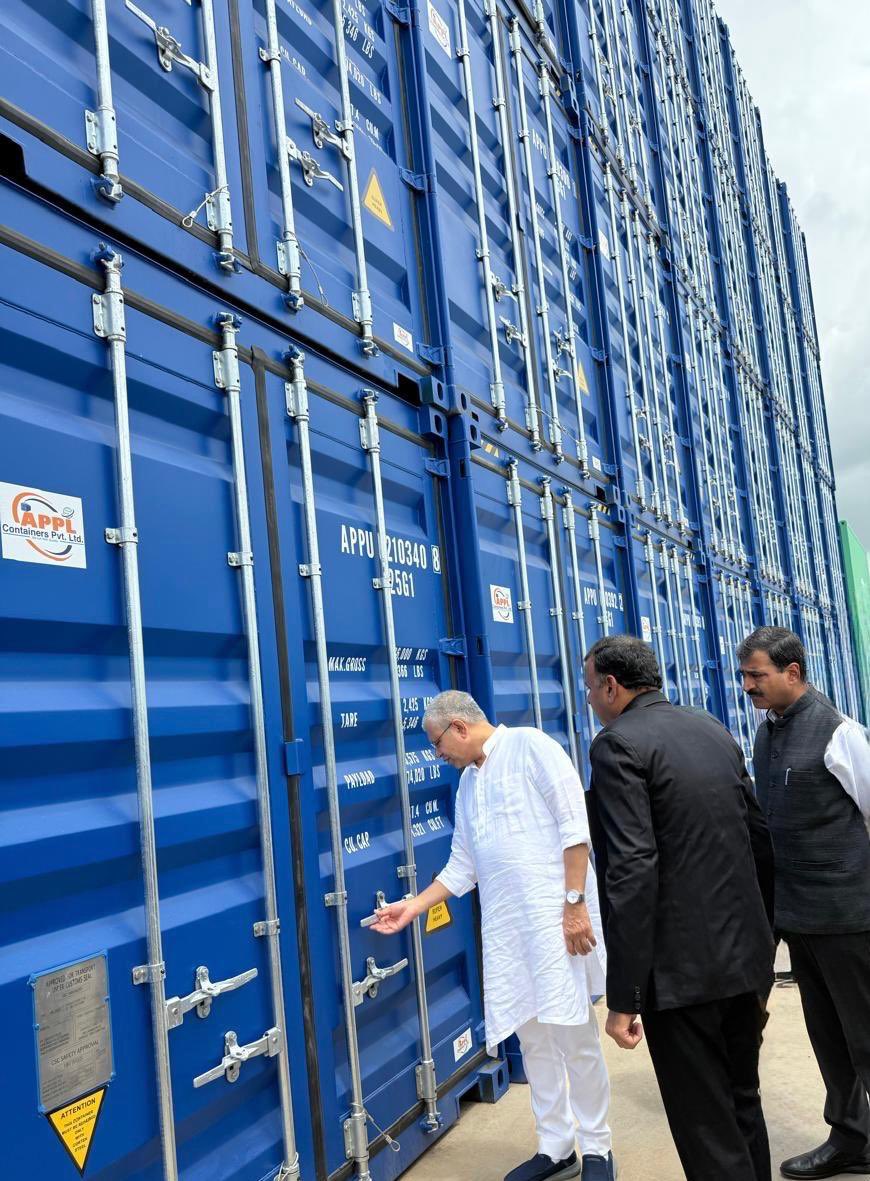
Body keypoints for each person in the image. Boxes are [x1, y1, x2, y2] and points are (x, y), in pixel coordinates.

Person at [371, 690, 614, 1181]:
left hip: (555, 924)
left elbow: (575, 830)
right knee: (535, 1039)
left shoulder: (532, 747)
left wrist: (574, 908)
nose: (437, 754)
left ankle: (597, 1150)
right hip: (509, 932)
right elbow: (463, 866)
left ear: (459, 727)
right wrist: (412, 907)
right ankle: (556, 1146)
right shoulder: (468, 784)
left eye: (437, 743)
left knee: (574, 1037)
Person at [584, 634, 775, 1181]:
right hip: (745, 961)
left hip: (681, 976)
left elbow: (631, 871)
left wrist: (624, 996)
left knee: (705, 1124)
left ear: (613, 686)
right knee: (742, 1101)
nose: (592, 702)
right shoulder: (710, 728)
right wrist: (765, 943)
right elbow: (759, 839)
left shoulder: (617, 745)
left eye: (591, 689)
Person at [739, 626, 870, 1180]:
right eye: (744, 676)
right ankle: (852, 1138)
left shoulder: (841, 733)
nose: (748, 687)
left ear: (793, 672)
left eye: (757, 676)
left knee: (866, 1034)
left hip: (849, 917)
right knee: (830, 1037)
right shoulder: (767, 734)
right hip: (798, 917)